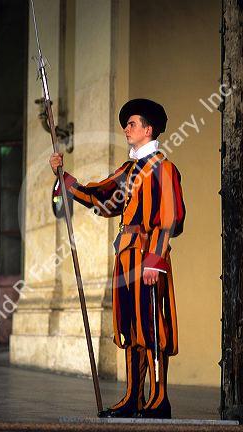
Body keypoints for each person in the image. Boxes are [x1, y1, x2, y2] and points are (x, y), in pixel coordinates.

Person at [49, 98, 186, 419]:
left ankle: (159, 399)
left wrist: (155, 258)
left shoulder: (163, 168)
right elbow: (102, 198)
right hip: (125, 256)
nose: (126, 129)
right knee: (130, 325)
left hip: (149, 256)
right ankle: (133, 398)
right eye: (126, 124)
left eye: (133, 124)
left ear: (149, 130)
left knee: (152, 326)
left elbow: (171, 217)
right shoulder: (128, 170)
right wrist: (64, 178)